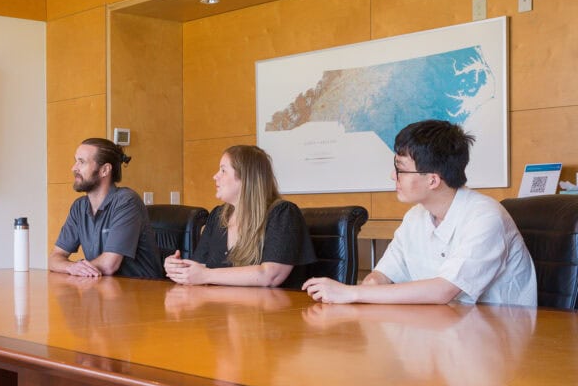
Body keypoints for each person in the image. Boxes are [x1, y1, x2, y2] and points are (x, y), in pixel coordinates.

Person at [302, 119, 536, 306]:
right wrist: (365, 287)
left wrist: (351, 293)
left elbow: (443, 290)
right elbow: (382, 276)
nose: (393, 177)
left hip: (499, 340)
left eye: (400, 169)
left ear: (433, 180)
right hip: (444, 331)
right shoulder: (416, 216)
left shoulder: (485, 217)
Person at [165, 145, 315, 288]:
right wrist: (179, 268)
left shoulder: (283, 213)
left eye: (223, 171)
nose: (215, 176)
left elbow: (270, 275)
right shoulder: (218, 215)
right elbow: (200, 267)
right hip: (221, 309)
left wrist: (206, 275)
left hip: (271, 312)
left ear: (246, 178)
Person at [49, 138, 162, 279]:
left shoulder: (127, 201)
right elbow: (54, 258)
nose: (74, 168)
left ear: (104, 170)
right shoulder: (79, 207)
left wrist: (77, 268)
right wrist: (71, 267)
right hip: (102, 291)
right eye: (75, 161)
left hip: (142, 294)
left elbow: (109, 265)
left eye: (81, 162)